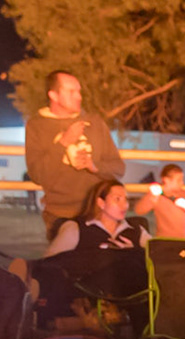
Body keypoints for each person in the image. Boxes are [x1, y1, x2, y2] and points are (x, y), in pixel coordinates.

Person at [25, 71, 124, 238]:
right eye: (71, 92)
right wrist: (64, 142)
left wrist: (94, 166)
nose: (78, 96)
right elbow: (37, 175)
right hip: (60, 214)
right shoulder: (37, 126)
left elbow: (118, 168)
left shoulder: (95, 123)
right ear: (53, 95)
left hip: (98, 212)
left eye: (78, 91)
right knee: (65, 262)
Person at [45, 178, 148, 255]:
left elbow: (159, 257)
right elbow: (51, 262)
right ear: (101, 203)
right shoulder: (77, 229)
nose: (124, 205)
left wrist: (135, 252)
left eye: (126, 200)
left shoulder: (136, 230)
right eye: (117, 199)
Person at [135, 163, 185, 239]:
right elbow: (139, 210)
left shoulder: (183, 194)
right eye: (179, 180)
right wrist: (152, 197)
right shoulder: (157, 195)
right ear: (166, 180)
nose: (182, 183)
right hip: (165, 241)